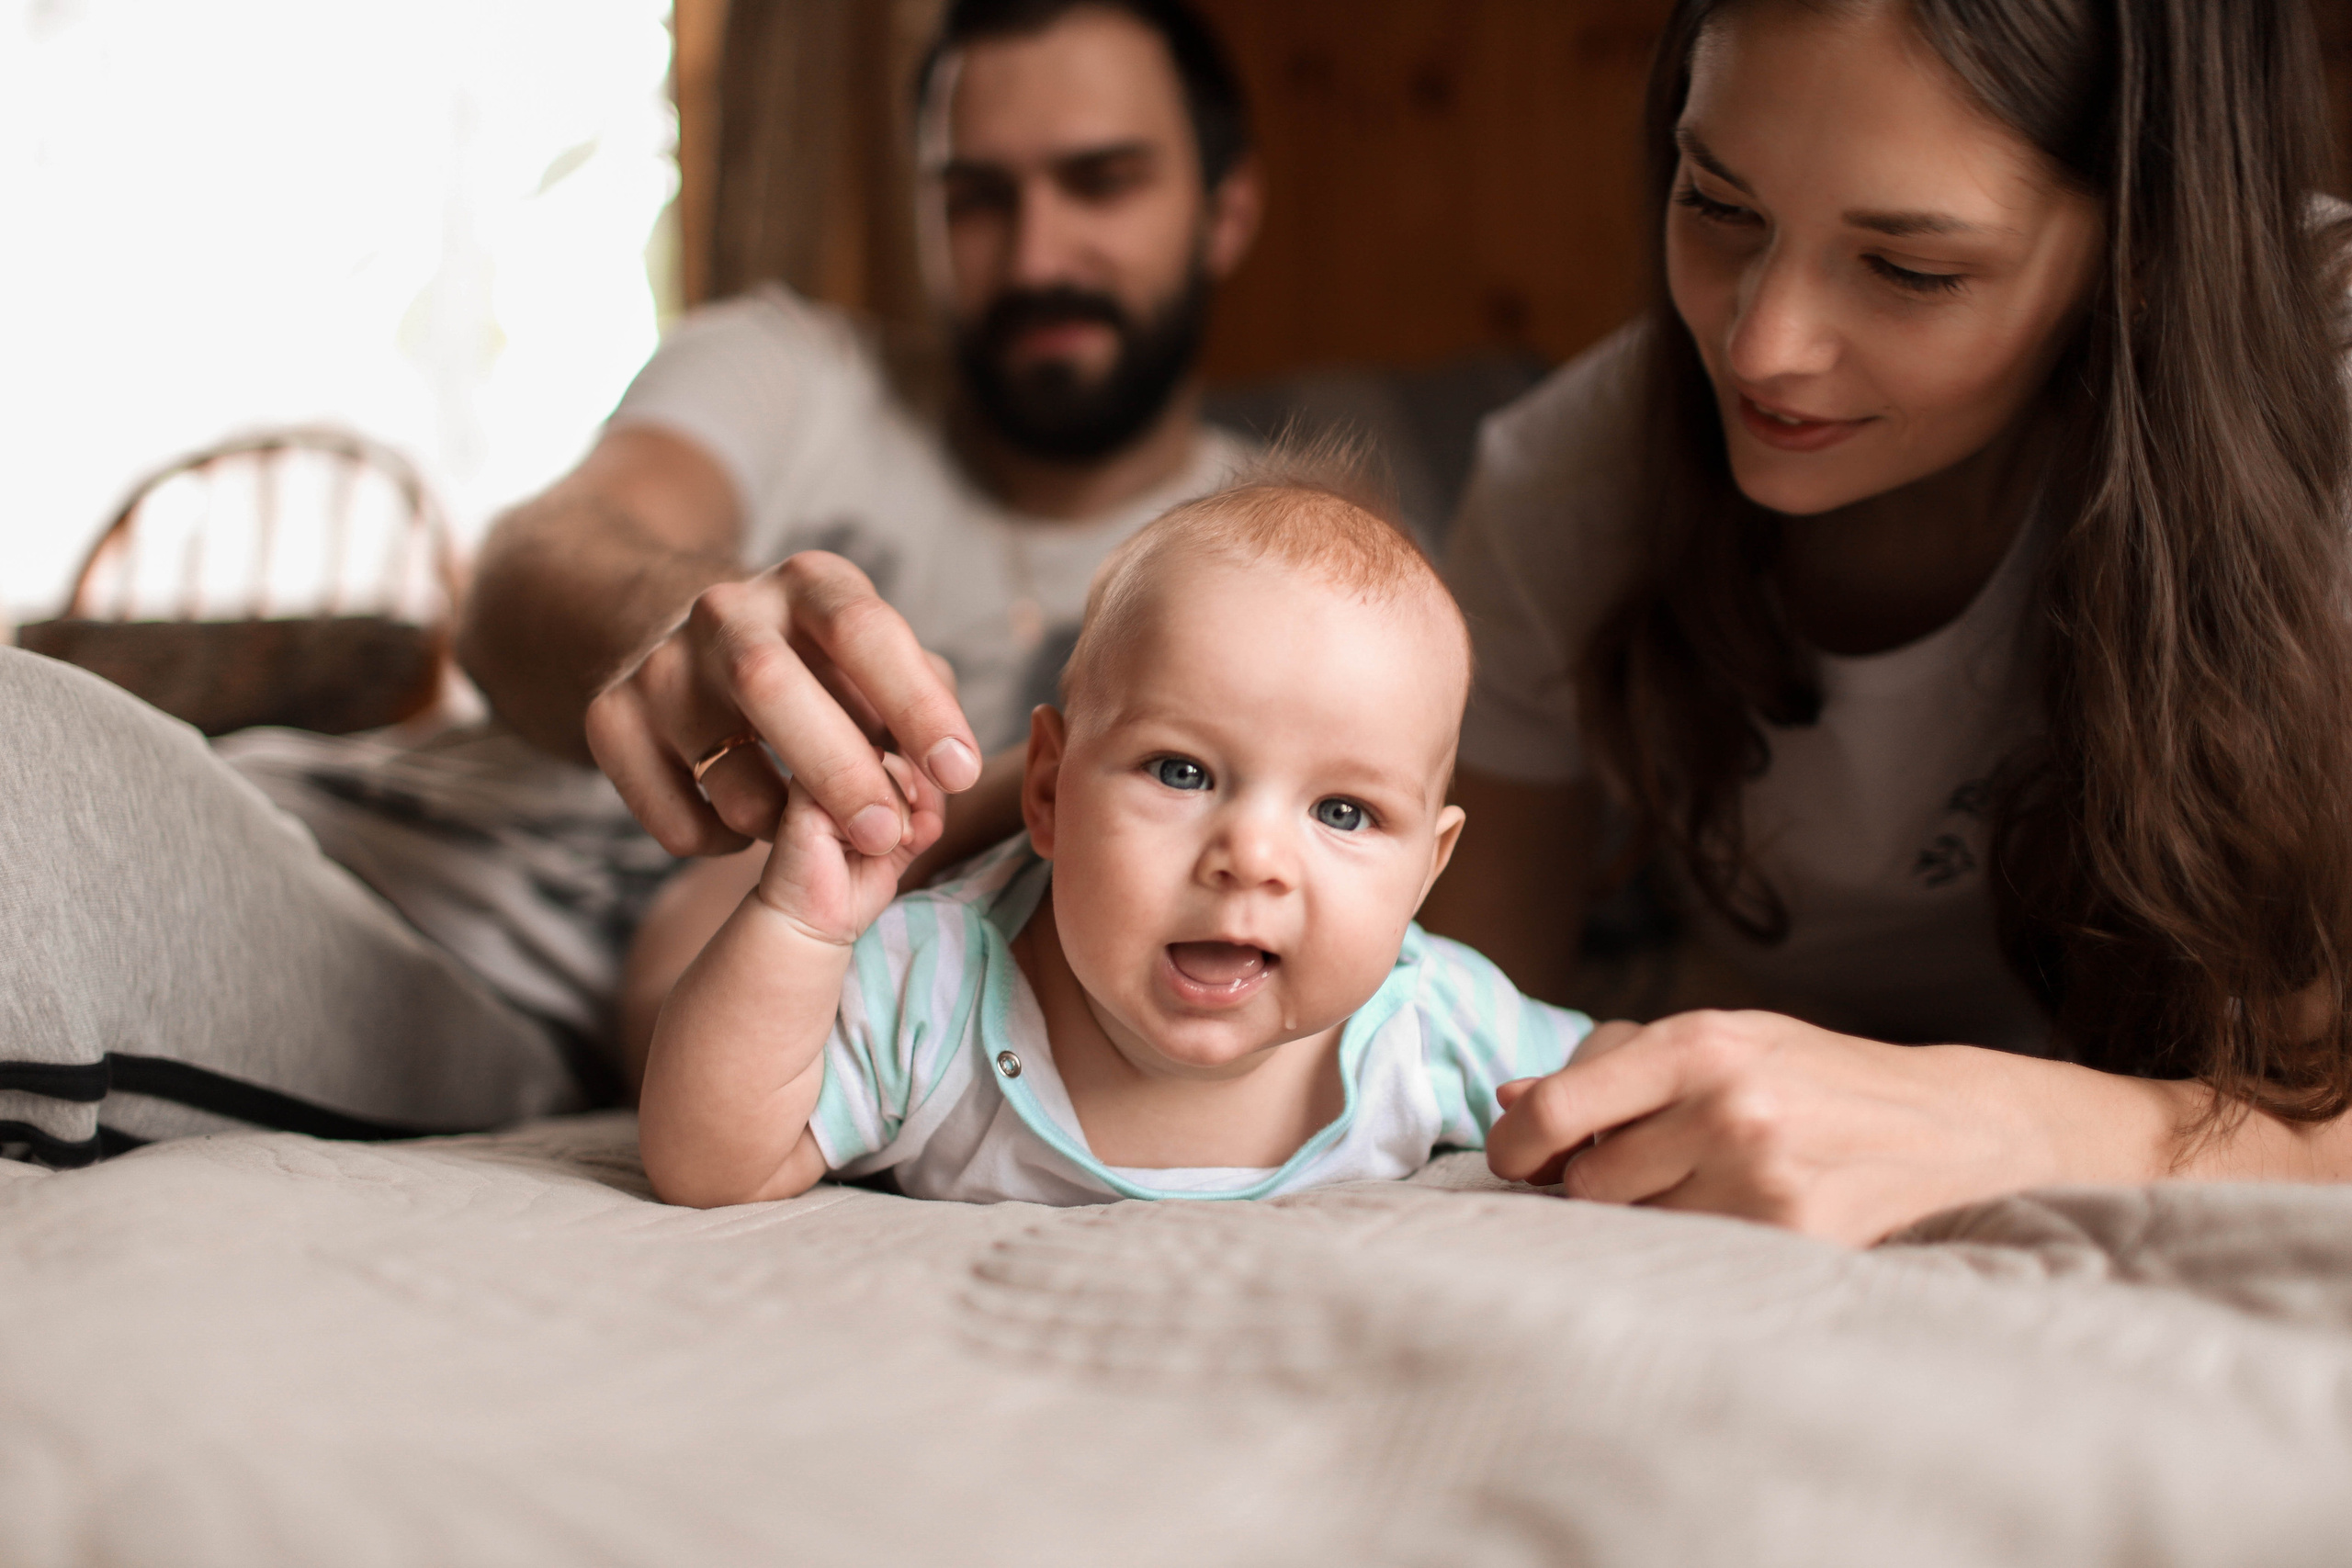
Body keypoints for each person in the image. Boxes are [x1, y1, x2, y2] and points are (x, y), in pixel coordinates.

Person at [1419, 0, 2352, 1241]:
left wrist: (2000, 1126)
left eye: (1912, 270)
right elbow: (1447, 1031)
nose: (1762, 346)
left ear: (2146, 245)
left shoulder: (2327, 406)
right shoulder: (1571, 486)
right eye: (1718, 205)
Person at [635, 465, 1590, 1207]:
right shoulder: (934, 982)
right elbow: (709, 1163)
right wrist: (801, 926)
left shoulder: (1433, 1019)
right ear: (1047, 790)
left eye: (1343, 812)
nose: (1251, 859)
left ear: (1427, 869)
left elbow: (1612, 1081)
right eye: (1182, 772)